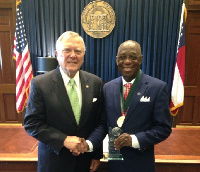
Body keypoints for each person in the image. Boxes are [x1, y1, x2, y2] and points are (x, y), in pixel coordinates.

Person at [86, 40, 172, 172]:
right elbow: (103, 124)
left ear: (141, 59)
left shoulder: (157, 87)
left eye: (133, 57)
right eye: (122, 57)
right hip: (115, 163)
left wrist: (134, 139)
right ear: (116, 60)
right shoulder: (107, 88)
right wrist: (89, 145)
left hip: (141, 164)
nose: (127, 61)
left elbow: (164, 128)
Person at [24, 31, 103, 172]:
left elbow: (99, 122)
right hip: (54, 162)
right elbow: (32, 123)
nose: (73, 55)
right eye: (67, 50)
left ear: (83, 57)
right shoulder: (40, 84)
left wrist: (95, 153)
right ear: (57, 54)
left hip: (85, 162)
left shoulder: (95, 82)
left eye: (78, 51)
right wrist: (63, 140)